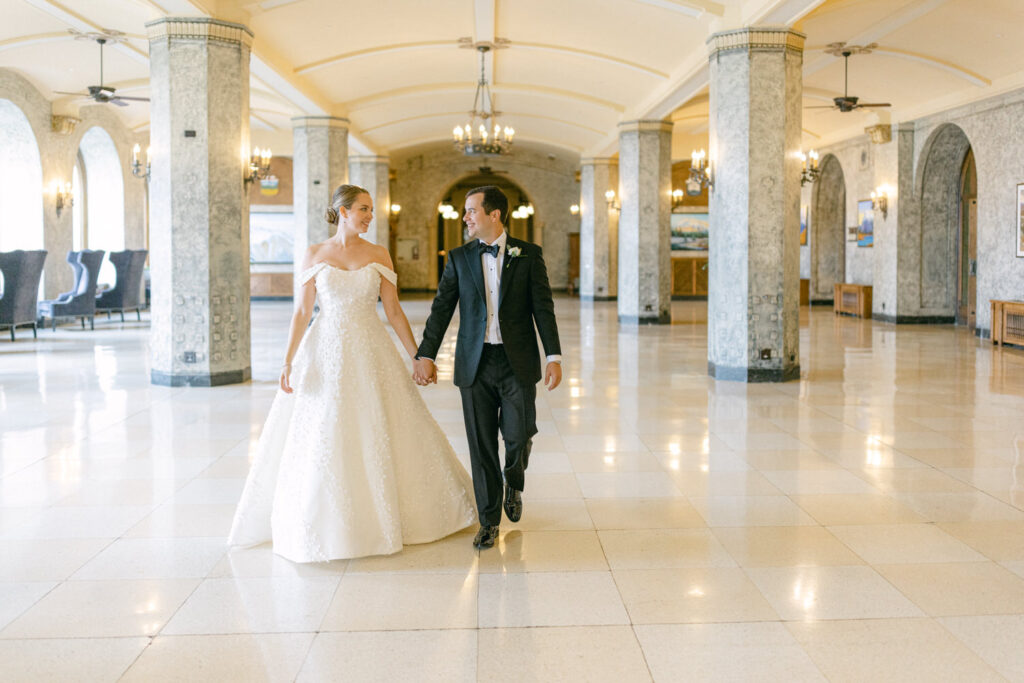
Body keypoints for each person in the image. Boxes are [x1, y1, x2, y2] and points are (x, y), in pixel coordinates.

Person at [228, 184, 476, 563]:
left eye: (371, 210)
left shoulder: (379, 254)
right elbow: (301, 312)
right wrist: (287, 361)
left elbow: (393, 311)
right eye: (363, 209)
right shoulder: (314, 253)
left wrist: (418, 357)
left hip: (370, 347)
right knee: (325, 430)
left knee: (379, 424)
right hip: (325, 349)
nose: (369, 216)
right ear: (342, 211)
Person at [413, 185, 562, 550]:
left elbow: (543, 307)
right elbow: (442, 308)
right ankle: (489, 520)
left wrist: (553, 356)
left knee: (519, 434)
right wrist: (425, 353)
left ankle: (514, 480)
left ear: (493, 214)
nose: (465, 217)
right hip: (474, 363)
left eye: (471, 211)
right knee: (481, 446)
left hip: (518, 361)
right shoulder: (459, 258)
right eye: (464, 211)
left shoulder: (528, 255)